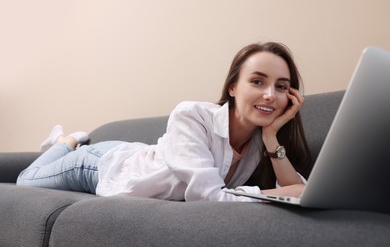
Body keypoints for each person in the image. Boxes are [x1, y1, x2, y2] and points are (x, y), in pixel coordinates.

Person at [16, 42, 312, 201]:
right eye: (258, 81)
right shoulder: (191, 115)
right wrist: (281, 193)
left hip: (135, 152)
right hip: (98, 165)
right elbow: (207, 197)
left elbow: (298, 191)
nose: (271, 95)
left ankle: (67, 142)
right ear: (233, 87)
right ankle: (65, 142)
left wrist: (273, 136)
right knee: (25, 181)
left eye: (282, 86)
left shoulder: (262, 139)